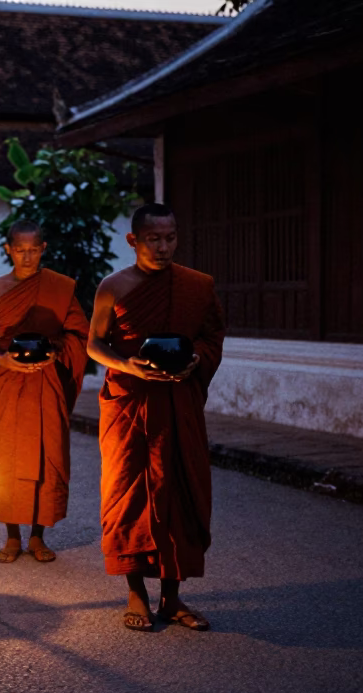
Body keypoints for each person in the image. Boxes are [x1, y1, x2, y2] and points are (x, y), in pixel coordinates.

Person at [88, 203, 225, 633]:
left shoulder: (197, 286)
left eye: (170, 238)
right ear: (134, 240)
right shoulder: (113, 287)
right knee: (128, 496)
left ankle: (172, 598)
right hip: (130, 402)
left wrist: (194, 362)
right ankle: (135, 594)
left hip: (177, 401)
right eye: (154, 239)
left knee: (178, 490)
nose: (163, 247)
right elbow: (95, 344)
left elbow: (210, 335)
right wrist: (128, 366)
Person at [0, 220, 89, 564]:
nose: (27, 257)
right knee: (4, 456)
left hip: (46, 379)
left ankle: (38, 536)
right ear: (9, 249)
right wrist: (2, 359)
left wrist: (57, 351)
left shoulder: (59, 287)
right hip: (8, 380)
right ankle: (11, 537)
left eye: (33, 250)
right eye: (20, 250)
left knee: (46, 453)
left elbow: (80, 335)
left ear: (43, 249)